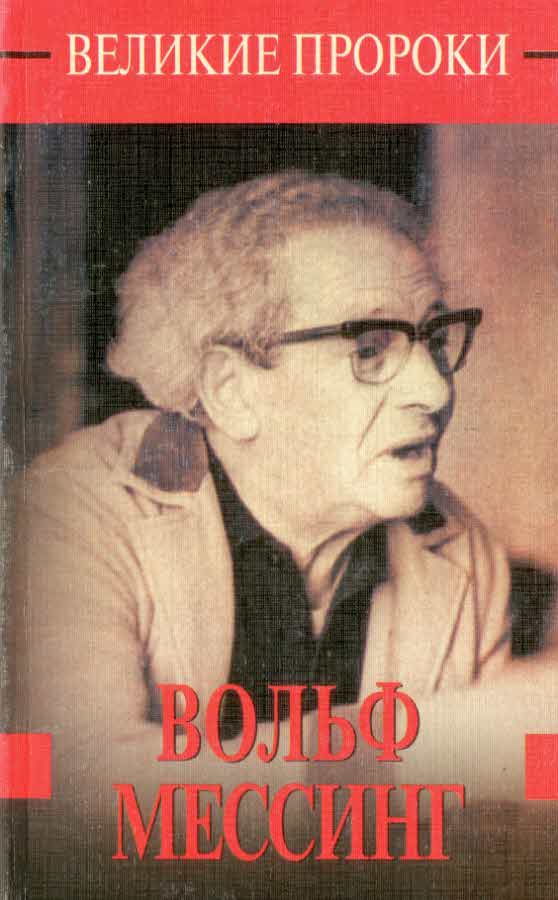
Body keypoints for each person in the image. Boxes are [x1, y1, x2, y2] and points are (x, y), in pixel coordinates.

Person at [14, 170, 516, 825]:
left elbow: (488, 827)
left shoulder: (463, 552)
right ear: (231, 390)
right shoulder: (70, 514)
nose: (435, 389)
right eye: (369, 349)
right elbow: (64, 799)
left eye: (436, 339)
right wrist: (442, 749)